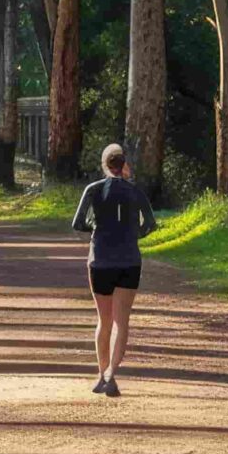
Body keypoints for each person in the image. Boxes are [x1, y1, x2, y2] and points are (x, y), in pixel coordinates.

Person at [69, 143, 156, 396]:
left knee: (104, 320)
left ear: (105, 165)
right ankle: (112, 375)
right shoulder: (135, 191)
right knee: (122, 322)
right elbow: (150, 224)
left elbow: (78, 222)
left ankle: (100, 374)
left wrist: (98, 231)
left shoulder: (93, 189)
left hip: (100, 260)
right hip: (129, 260)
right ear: (124, 166)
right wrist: (132, 234)